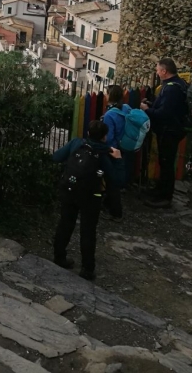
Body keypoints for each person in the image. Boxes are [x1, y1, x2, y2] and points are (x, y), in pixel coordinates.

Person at [52, 120, 120, 281]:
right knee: (88, 230)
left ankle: (59, 256)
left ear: (88, 133)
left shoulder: (76, 143)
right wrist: (118, 160)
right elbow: (116, 179)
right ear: (104, 137)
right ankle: (87, 269)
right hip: (91, 195)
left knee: (65, 223)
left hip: (70, 189)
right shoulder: (103, 154)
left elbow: (56, 157)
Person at [141, 58, 189, 207]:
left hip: (169, 131)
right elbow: (168, 107)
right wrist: (151, 104)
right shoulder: (178, 84)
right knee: (164, 162)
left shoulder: (171, 89)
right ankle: (160, 190)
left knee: (167, 163)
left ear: (164, 71)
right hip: (172, 129)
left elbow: (164, 114)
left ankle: (165, 197)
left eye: (158, 70)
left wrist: (147, 110)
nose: (157, 73)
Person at [102, 85, 130, 217]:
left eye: (106, 93)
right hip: (123, 148)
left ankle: (115, 213)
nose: (105, 95)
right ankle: (108, 204)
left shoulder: (110, 115)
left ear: (110, 96)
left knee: (111, 181)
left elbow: (109, 138)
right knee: (116, 179)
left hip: (113, 150)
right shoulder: (126, 108)